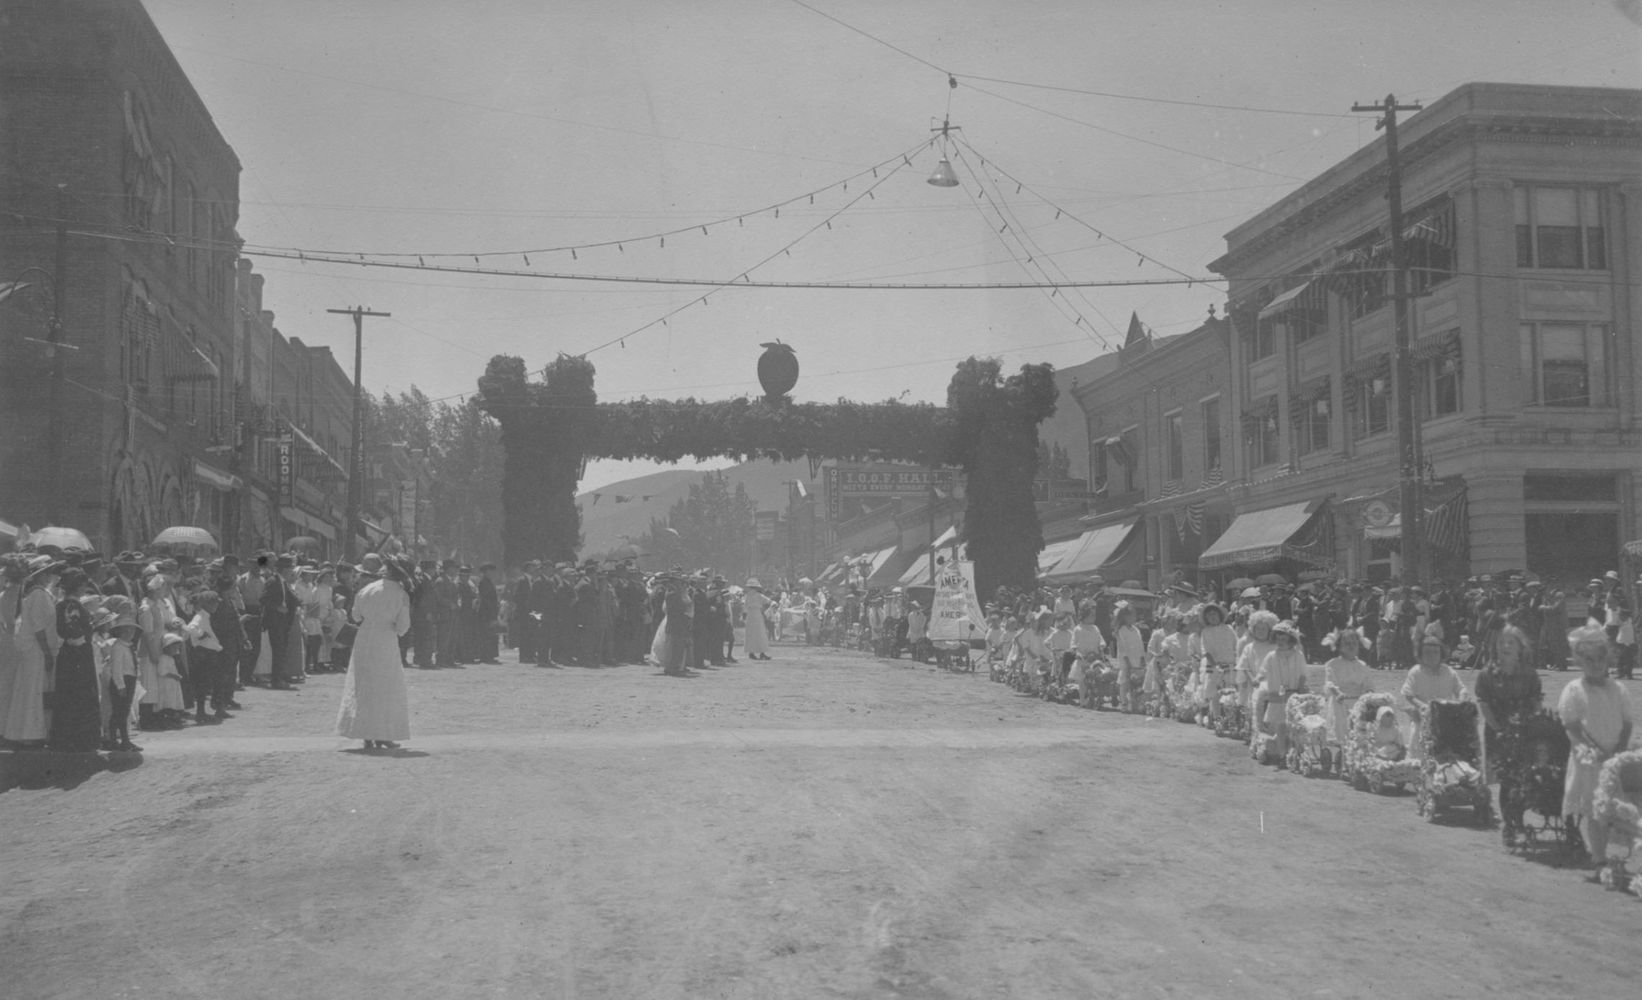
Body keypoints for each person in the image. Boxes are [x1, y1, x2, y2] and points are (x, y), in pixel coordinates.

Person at [1557, 624, 1634, 870]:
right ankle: (1599, 857)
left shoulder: (1618, 689)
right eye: (1589, 660)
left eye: (1600, 659)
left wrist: (1619, 749)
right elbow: (1572, 726)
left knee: (1618, 808)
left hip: (1614, 759)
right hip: (1589, 760)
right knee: (1594, 809)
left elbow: (1627, 723)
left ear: (1607, 659)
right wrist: (1593, 749)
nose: (1596, 664)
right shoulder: (1575, 690)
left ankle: (1624, 854)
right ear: (1580, 661)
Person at [337, 557, 414, 750]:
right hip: (385, 639)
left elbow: (356, 615)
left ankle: (365, 733)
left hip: (364, 638)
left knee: (364, 684)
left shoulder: (367, 589)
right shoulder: (401, 594)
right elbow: (403, 626)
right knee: (386, 686)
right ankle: (383, 734)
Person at [3, 557, 58, 748]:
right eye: (45, 573)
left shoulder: (39, 594)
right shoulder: (38, 595)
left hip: (35, 649)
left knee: (33, 691)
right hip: (36, 649)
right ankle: (30, 733)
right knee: (34, 691)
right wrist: (47, 652)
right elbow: (38, 628)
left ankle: (29, 732)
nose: (49, 576)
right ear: (38, 576)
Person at [47, 569, 102, 753]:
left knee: (70, 695)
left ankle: (71, 738)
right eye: (84, 585)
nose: (85, 588)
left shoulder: (67, 604)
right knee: (78, 694)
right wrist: (87, 632)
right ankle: (78, 739)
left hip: (71, 655)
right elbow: (72, 631)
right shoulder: (71, 605)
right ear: (78, 586)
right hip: (76, 655)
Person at [1400, 631, 1470, 750]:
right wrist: (1422, 706)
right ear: (1420, 654)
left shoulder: (1448, 672)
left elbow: (1461, 689)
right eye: (1427, 652)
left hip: (1446, 720)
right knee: (1420, 752)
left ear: (1441, 654)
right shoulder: (1416, 672)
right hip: (1422, 720)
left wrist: (1461, 700)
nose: (1431, 656)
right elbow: (1408, 694)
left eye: (1435, 652)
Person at [1253, 621, 1308, 761]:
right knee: (1280, 724)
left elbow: (1302, 674)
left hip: (1294, 693)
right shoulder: (1272, 656)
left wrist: (1301, 688)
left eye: (1283, 639)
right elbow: (1263, 670)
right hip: (1277, 694)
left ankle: (1296, 751)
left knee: (1295, 724)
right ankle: (1282, 753)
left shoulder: (1298, 655)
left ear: (1291, 640)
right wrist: (1258, 679)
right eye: (1277, 639)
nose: (1280, 642)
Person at [1323, 627, 1375, 740]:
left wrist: (1369, 694)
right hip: (1340, 702)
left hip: (1358, 702)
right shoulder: (1333, 664)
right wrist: (1338, 693)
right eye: (1347, 644)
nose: (1351, 646)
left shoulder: (1362, 665)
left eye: (1354, 643)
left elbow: (1368, 684)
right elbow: (1330, 683)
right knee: (1341, 731)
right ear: (1339, 647)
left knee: (1358, 731)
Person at [1113, 602, 1145, 713]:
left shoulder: (1136, 630)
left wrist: (1142, 657)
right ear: (1125, 617)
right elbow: (1123, 646)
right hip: (1126, 658)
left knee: (1135, 680)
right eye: (1132, 616)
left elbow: (1140, 643)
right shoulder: (1122, 630)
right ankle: (1124, 703)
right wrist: (1126, 659)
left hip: (1136, 657)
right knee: (1125, 681)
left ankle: (1134, 703)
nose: (1134, 618)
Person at [475, 564, 502, 664]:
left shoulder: (489, 582)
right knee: (486, 635)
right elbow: (486, 600)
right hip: (486, 613)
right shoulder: (484, 583)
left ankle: (489, 655)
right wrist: (492, 612)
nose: (492, 573)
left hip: (490, 612)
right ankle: (486, 656)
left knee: (490, 635)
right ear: (486, 572)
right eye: (490, 571)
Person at [743, 579, 772, 661]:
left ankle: (751, 652)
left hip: (750, 615)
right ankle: (762, 653)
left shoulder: (747, 596)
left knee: (750, 634)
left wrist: (744, 616)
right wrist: (764, 608)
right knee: (760, 634)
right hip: (757, 614)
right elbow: (769, 601)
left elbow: (744, 607)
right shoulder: (759, 595)